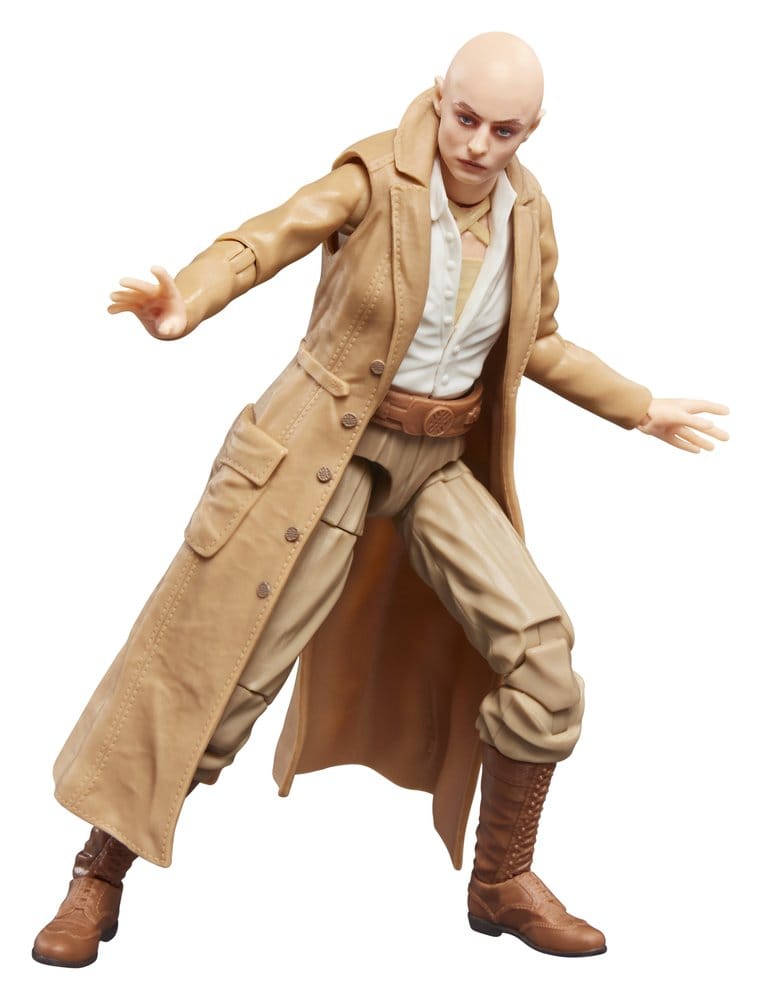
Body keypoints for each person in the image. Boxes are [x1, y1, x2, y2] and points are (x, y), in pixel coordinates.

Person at [32, 32, 728, 967]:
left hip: (438, 460)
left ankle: (501, 879)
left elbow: (537, 340)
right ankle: (98, 871)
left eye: (504, 130)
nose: (477, 144)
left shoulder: (527, 214)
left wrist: (638, 406)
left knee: (544, 661)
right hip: (329, 448)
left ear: (532, 130)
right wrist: (185, 301)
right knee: (221, 669)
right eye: (465, 118)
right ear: (439, 96)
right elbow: (265, 238)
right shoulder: (372, 178)